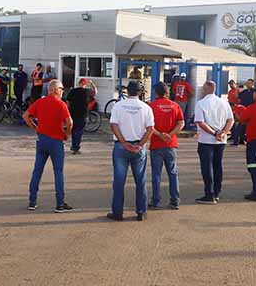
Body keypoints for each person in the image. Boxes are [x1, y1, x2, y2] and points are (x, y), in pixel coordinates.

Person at [22, 80, 73, 213]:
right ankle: (60, 203)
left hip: (42, 140)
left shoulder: (40, 102)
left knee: (37, 170)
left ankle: (32, 201)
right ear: (56, 90)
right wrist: (67, 134)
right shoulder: (61, 104)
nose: (62, 91)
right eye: (61, 89)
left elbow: (26, 116)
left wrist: (35, 127)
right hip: (56, 141)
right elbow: (70, 122)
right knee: (58, 172)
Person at [107, 81, 154, 221]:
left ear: (127, 91)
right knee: (140, 180)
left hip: (121, 147)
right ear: (140, 92)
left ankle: (118, 212)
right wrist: (140, 145)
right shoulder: (146, 108)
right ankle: (141, 211)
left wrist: (124, 143)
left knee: (119, 181)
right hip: (138, 148)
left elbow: (114, 125)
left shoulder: (118, 106)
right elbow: (150, 129)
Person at [193, 80, 234, 204]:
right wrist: (223, 132)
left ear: (205, 90)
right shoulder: (224, 103)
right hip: (221, 141)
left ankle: (209, 194)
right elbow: (230, 120)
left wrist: (214, 133)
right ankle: (216, 192)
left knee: (207, 167)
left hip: (206, 140)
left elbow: (201, 122)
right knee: (218, 166)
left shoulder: (201, 104)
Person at [147, 82, 185, 210]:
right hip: (171, 144)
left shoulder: (151, 106)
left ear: (156, 92)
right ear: (167, 92)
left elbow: (149, 126)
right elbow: (181, 123)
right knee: (173, 173)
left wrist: (159, 135)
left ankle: (155, 201)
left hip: (156, 144)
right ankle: (175, 200)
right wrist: (170, 135)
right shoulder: (175, 106)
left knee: (156, 174)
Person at [66, 78, 97, 154]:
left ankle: (74, 145)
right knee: (79, 131)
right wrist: (92, 84)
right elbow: (95, 92)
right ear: (85, 84)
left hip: (73, 113)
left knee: (73, 130)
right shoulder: (87, 92)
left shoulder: (73, 91)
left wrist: (67, 110)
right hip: (82, 114)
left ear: (79, 83)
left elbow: (67, 101)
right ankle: (76, 147)